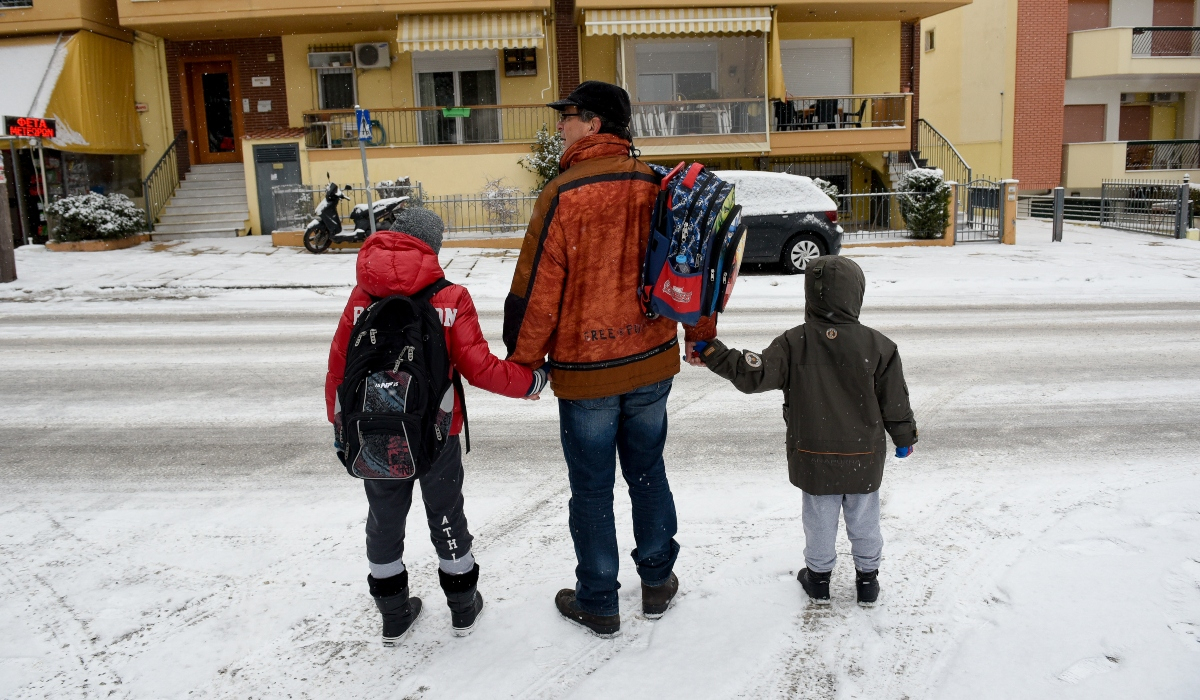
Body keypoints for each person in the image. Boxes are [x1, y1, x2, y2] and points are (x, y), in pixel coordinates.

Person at [504, 81, 716, 637]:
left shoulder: (563, 195)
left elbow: (536, 289)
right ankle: (656, 581)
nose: (560, 127)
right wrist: (700, 334)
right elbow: (695, 265)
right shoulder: (656, 184)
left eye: (568, 116)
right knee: (647, 471)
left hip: (585, 373)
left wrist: (523, 360)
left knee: (592, 487)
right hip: (650, 361)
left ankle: (599, 598)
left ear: (594, 124)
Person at [325, 207, 548, 645]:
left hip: (374, 433)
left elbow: (338, 370)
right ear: (431, 247)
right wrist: (531, 382)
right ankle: (463, 607)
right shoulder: (450, 297)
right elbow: (480, 368)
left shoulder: (361, 296)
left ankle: (393, 614)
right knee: (446, 513)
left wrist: (341, 431)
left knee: (384, 519)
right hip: (438, 431)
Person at [693, 256, 917, 606]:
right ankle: (868, 580)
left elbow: (754, 374)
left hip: (814, 456)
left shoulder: (793, 343)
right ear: (856, 294)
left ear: (810, 296)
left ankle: (818, 579)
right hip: (863, 455)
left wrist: (713, 352)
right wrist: (904, 438)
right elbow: (895, 401)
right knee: (865, 518)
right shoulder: (878, 346)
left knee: (819, 522)